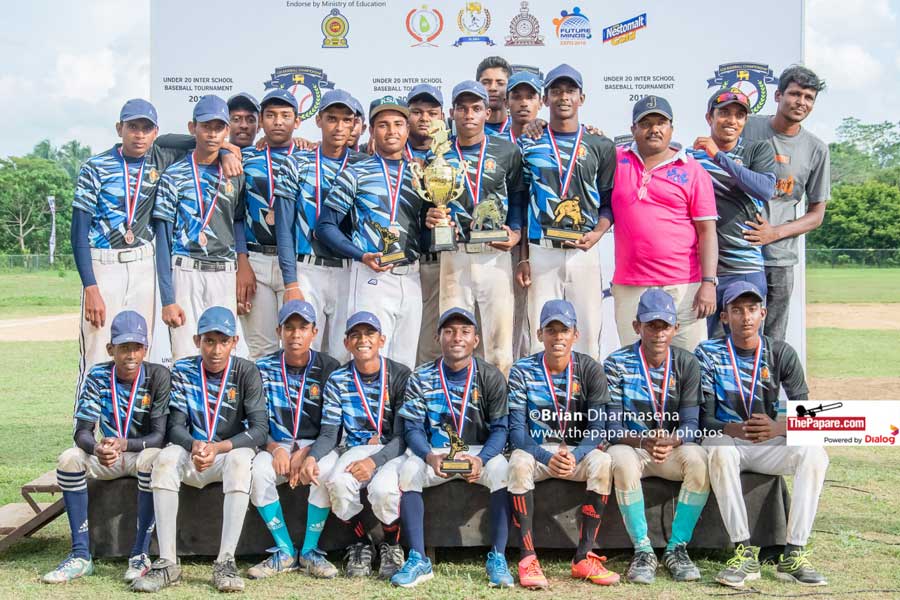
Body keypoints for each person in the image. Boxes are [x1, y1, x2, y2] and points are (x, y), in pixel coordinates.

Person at [71, 99, 238, 396]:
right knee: (98, 352)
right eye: (132, 127)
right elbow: (78, 233)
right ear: (119, 128)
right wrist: (90, 287)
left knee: (138, 349)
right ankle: (86, 423)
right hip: (103, 263)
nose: (139, 135)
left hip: (143, 262)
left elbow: (202, 142)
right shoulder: (95, 167)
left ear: (155, 133)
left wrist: (224, 149)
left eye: (146, 129)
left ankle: (130, 422)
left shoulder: (160, 158)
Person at [696, 281, 828, 587]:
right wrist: (733, 428)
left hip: (767, 443)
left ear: (763, 313)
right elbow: (704, 419)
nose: (746, 317)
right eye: (737, 310)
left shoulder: (780, 352)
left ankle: (793, 553)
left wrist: (777, 428)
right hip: (729, 441)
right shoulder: (708, 353)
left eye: (752, 309)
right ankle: (743, 552)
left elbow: (807, 413)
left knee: (814, 453)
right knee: (719, 450)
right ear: (724, 317)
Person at [132, 306, 267, 593]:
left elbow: (259, 430)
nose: (216, 350)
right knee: (166, 459)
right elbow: (174, 426)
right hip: (193, 451)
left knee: (241, 461)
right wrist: (193, 445)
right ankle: (168, 562)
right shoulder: (183, 369)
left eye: (223, 341)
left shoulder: (246, 371)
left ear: (235, 342)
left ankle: (225, 561)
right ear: (197, 341)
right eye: (209, 341)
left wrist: (218, 447)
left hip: (227, 453)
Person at [43, 311, 169, 584]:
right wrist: (97, 448)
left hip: (140, 454)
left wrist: (125, 444)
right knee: (69, 458)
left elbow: (160, 436)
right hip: (108, 455)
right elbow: (82, 432)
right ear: (111, 349)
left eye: (137, 347)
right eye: (124, 348)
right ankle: (80, 555)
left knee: (154, 458)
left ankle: (140, 553)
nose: (131, 355)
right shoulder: (98, 375)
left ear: (146, 348)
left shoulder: (157, 375)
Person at [392, 308, 513, 589]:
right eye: (449, 331)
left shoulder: (490, 375)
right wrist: (428, 456)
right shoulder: (421, 376)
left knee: (502, 471)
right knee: (409, 471)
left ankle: (498, 557)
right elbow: (412, 428)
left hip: (478, 451)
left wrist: (482, 459)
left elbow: (501, 429)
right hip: (435, 451)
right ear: (438, 338)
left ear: (476, 340)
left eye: (464, 332)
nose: (457, 337)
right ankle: (419, 559)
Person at [507, 300, 619, 589]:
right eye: (551, 330)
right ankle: (527, 557)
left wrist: (576, 455)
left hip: (577, 452)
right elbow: (517, 432)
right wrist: (547, 457)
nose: (558, 337)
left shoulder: (590, 368)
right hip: (538, 452)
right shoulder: (522, 370)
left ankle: (583, 557)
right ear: (539, 334)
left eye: (564, 330)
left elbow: (598, 429)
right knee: (518, 461)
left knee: (603, 461)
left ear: (575, 334)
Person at [604, 289, 709, 584]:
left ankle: (677, 548)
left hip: (671, 447)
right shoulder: (616, 363)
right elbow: (611, 428)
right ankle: (643, 550)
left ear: (676, 327)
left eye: (665, 325)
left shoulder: (687, 363)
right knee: (619, 458)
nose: (659, 333)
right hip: (633, 447)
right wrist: (643, 441)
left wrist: (673, 440)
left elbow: (692, 423)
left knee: (699, 459)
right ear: (637, 326)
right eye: (651, 325)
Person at [315, 96, 426, 369]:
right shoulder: (356, 172)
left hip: (411, 275)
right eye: (383, 125)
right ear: (372, 131)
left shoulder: (420, 175)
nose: (391, 131)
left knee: (405, 364)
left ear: (407, 129)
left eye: (398, 124)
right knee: (368, 361)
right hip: (371, 275)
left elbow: (424, 228)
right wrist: (361, 255)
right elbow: (325, 227)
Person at [426, 80, 526, 376]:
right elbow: (426, 206)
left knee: (499, 348)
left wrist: (516, 232)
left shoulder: (507, 151)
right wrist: (431, 218)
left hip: (495, 255)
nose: (469, 114)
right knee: (454, 344)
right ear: (452, 113)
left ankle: (499, 403)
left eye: (476, 108)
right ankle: (457, 400)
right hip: (453, 254)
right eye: (462, 108)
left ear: (487, 112)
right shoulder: (438, 153)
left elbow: (518, 197)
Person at [517, 64, 616, 361]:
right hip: (541, 250)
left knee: (587, 334)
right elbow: (520, 201)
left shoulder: (600, 144)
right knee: (539, 336)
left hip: (583, 251)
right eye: (556, 91)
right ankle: (539, 388)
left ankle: (586, 391)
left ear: (581, 98)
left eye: (570, 91)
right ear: (545, 99)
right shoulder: (528, 142)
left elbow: (609, 201)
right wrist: (523, 256)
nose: (563, 97)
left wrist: (598, 234)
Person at [305, 311, 411, 579]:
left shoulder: (400, 374)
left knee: (384, 490)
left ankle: (391, 545)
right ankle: (362, 543)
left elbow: (404, 435)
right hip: (355, 450)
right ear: (347, 343)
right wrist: (312, 457)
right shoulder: (338, 379)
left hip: (392, 450)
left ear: (382, 340)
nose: (363, 339)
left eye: (369, 334)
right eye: (355, 335)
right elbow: (330, 433)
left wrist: (373, 462)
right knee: (337, 484)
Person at [610, 95, 718, 351]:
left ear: (671, 128)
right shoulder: (615, 160)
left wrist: (708, 282)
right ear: (633, 129)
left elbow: (707, 232)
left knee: (688, 361)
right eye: (646, 123)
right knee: (633, 361)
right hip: (631, 283)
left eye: (661, 122)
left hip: (683, 285)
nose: (654, 129)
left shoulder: (692, 170)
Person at [248, 300, 342, 579]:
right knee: (258, 472)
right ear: (279, 331)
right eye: (289, 328)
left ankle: (310, 551)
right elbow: (254, 421)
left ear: (314, 332)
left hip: (316, 445)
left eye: (303, 328)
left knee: (325, 470)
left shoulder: (329, 367)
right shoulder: (262, 367)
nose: (296, 334)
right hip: (275, 445)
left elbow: (332, 429)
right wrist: (275, 448)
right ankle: (285, 550)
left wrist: (308, 453)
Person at [153, 95, 247, 361]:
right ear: (193, 127)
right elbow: (163, 239)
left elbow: (238, 221)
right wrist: (168, 298)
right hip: (185, 270)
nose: (212, 134)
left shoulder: (235, 173)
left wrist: (241, 267)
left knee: (222, 354)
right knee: (184, 354)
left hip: (224, 272)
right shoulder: (173, 175)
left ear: (227, 131)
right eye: (206, 127)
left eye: (219, 128)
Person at [740, 66, 830, 341]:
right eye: (795, 94)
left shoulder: (816, 149)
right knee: (731, 332)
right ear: (778, 95)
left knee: (773, 338)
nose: (801, 102)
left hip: (779, 258)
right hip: (737, 253)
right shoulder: (747, 126)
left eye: (808, 97)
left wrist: (774, 233)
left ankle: (768, 374)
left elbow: (816, 214)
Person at [276, 90, 366, 362]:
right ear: (318, 120)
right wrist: (290, 282)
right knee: (303, 352)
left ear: (355, 124)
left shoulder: (364, 166)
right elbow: (283, 226)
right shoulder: (296, 163)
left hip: (350, 270)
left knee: (343, 354)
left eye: (346, 120)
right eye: (332, 119)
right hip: (307, 269)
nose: (339, 127)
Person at [689, 89, 776, 337]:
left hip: (744, 266)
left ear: (745, 121)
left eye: (739, 115)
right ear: (710, 117)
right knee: (702, 346)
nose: (732, 120)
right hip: (701, 269)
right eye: (724, 113)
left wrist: (718, 156)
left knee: (746, 343)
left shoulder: (756, 151)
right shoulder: (690, 157)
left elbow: (764, 189)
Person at [236, 89, 302, 359]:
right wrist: (242, 262)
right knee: (262, 351)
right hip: (256, 262)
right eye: (271, 115)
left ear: (297, 121)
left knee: (298, 348)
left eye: (285, 115)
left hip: (297, 263)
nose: (278, 122)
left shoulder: (309, 158)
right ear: (261, 121)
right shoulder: (244, 158)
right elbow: (236, 215)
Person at [406, 84, 445, 367]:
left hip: (438, 261)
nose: (424, 118)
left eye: (432, 113)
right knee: (401, 343)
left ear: (443, 117)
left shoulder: (450, 155)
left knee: (431, 345)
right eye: (417, 112)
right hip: (399, 264)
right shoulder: (385, 152)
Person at [476, 56, 512, 137]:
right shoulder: (462, 127)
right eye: (486, 82)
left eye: (500, 83)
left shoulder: (522, 128)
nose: (492, 88)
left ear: (509, 87)